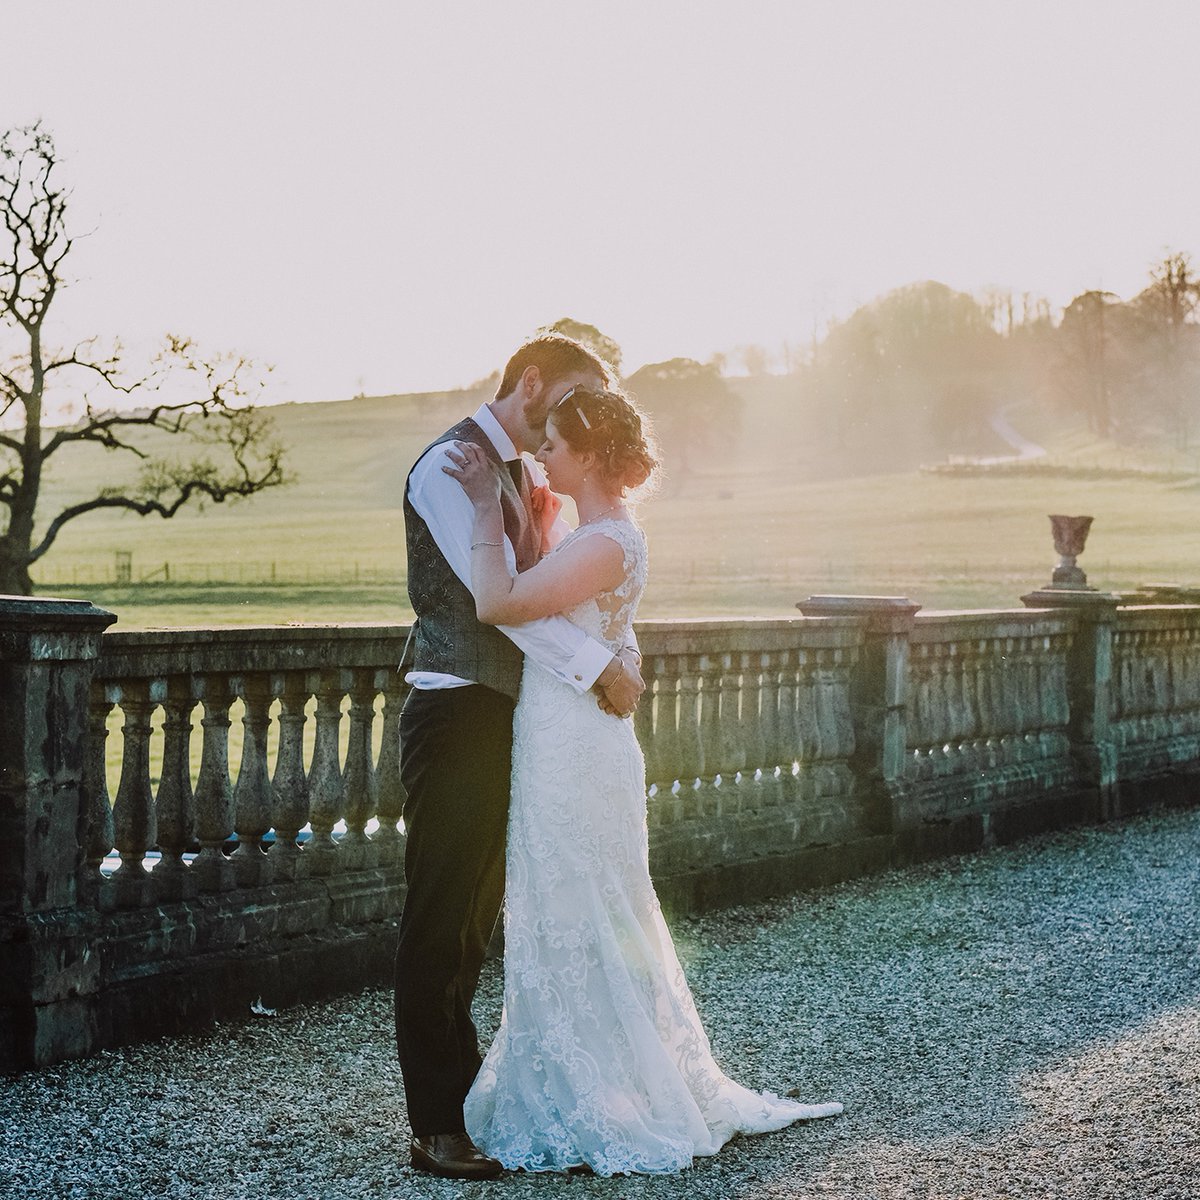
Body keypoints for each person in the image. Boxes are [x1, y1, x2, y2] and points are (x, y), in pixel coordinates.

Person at [444, 384, 843, 1177]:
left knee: (583, 901)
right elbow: (591, 627)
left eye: (553, 445)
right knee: (562, 899)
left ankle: (610, 1096)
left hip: (576, 745)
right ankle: (575, 1078)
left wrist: (484, 508)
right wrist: (618, 657)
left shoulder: (606, 543)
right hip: (567, 733)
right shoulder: (593, 533)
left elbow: (498, 602)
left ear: (588, 455)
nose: (540, 456)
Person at [396, 333, 646, 1182]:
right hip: (458, 707)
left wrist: (611, 650)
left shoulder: (523, 477)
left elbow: (557, 589)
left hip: (518, 716)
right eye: (572, 395)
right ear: (531, 381)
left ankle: (474, 1103)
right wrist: (600, 667)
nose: (572, 420)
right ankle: (435, 1123)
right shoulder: (448, 468)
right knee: (442, 913)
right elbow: (493, 605)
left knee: (480, 915)